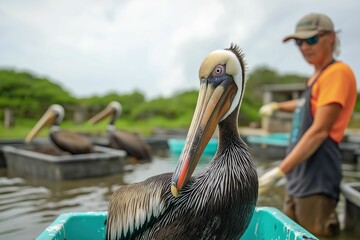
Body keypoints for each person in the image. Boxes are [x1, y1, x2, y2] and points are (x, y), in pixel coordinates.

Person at [258, 13, 357, 237]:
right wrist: (277, 106)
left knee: (314, 234)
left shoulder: (337, 73)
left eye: (311, 40)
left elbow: (319, 131)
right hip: (298, 175)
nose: (304, 47)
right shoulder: (316, 77)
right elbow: (304, 103)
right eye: (298, 42)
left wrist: (279, 171)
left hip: (317, 177)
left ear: (330, 37)